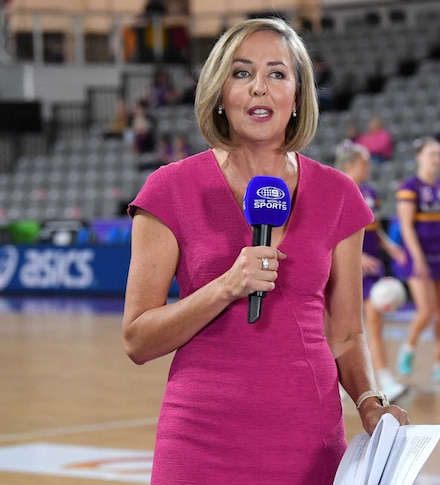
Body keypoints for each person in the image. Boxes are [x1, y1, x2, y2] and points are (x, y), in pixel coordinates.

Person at [121, 18, 408, 484]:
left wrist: (370, 403)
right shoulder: (170, 188)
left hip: (309, 442)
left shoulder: (338, 194)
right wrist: (226, 287)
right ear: (219, 91)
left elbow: (348, 335)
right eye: (241, 73)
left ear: (297, 95)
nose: (259, 88)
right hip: (199, 439)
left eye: (277, 73)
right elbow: (137, 339)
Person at [335, 139, 409, 402]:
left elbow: (374, 228)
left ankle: (381, 378)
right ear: (352, 163)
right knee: (343, 324)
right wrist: (358, 256)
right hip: (348, 264)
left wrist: (391, 248)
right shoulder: (336, 188)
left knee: (374, 321)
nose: (369, 167)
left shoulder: (369, 191)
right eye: (365, 162)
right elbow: (331, 231)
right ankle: (352, 379)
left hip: (373, 265)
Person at [394, 138, 440, 384]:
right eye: (431, 154)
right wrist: (418, 258)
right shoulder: (409, 187)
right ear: (419, 157)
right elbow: (406, 226)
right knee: (426, 311)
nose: (436, 159)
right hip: (420, 256)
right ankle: (408, 348)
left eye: (438, 154)